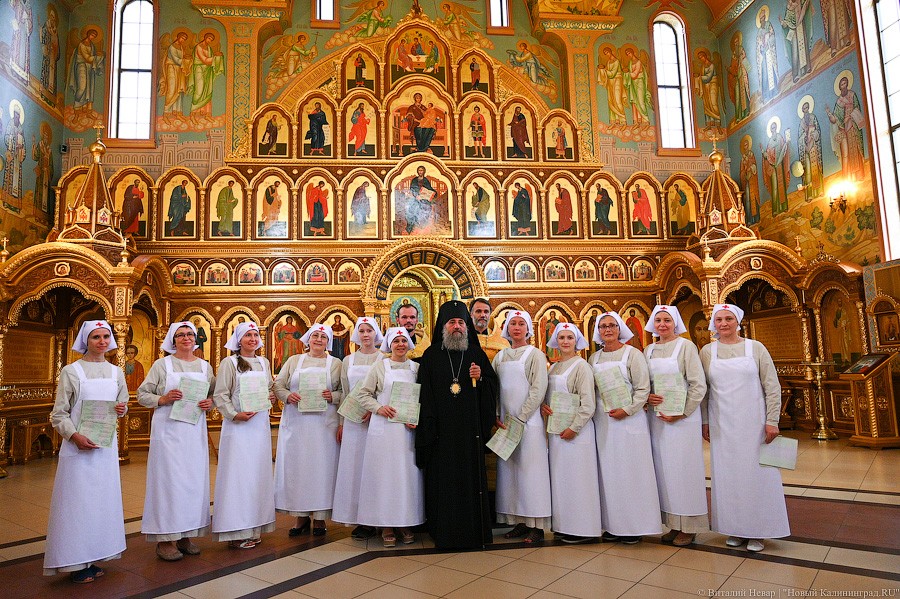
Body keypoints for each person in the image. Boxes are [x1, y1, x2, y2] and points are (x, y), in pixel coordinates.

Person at [44, 320, 128, 583]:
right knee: (77, 505)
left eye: (106, 336)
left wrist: (122, 409)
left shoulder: (117, 372)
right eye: (95, 337)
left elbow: (122, 402)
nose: (102, 341)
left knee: (101, 503)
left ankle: (95, 554)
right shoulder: (72, 371)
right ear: (85, 341)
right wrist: (74, 436)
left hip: (104, 448)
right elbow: (58, 414)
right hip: (79, 448)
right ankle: (76, 561)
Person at [701, 303, 789, 553]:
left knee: (757, 476)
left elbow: (771, 385)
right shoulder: (708, 351)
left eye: (728, 318)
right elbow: (705, 391)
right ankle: (735, 528)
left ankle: (758, 530)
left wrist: (773, 420)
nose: (724, 324)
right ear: (713, 324)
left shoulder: (755, 347)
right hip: (722, 424)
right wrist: (705, 421)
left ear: (737, 321)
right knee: (728, 477)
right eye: (719, 320)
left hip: (754, 424)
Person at [415, 300, 498, 548]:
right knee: (443, 482)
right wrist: (429, 428)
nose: (457, 326)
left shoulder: (475, 354)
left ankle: (474, 532)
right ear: (443, 326)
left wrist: (481, 378)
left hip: (469, 433)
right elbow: (424, 395)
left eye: (461, 322)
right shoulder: (431, 356)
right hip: (441, 433)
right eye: (452, 322)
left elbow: (492, 387)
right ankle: (443, 531)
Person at [138, 321, 215, 561]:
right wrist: (163, 398)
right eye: (180, 335)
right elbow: (142, 394)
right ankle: (165, 538)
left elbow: (213, 394)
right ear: (173, 340)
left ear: (196, 339)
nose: (186, 338)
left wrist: (209, 403)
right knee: (168, 483)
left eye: (190, 334)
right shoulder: (162, 365)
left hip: (193, 432)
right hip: (168, 432)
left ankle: (186, 534)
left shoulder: (205, 367)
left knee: (192, 483)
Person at [589, 312, 662, 544]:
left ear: (620, 329)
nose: (607, 330)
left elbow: (642, 389)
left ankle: (634, 526)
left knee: (632, 472)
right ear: (597, 331)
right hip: (605, 421)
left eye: (612, 325)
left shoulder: (633, 354)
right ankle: (614, 524)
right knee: (609, 473)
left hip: (629, 421)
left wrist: (628, 410)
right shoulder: (594, 358)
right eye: (603, 326)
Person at [643, 306, 708, 547]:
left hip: (682, 421)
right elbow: (643, 383)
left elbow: (698, 384)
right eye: (658, 320)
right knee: (664, 472)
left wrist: (682, 412)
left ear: (675, 323)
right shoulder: (648, 350)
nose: (662, 324)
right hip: (658, 419)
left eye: (667, 320)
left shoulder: (686, 347)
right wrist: (647, 396)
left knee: (684, 471)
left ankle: (689, 526)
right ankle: (672, 523)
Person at [355, 328, 424, 546]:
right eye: (396, 341)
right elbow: (363, 394)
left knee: (405, 477)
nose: (401, 344)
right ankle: (386, 525)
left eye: (404, 340)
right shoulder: (379, 366)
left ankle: (405, 522)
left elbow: (425, 397)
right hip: (384, 430)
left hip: (406, 431)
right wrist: (378, 408)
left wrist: (418, 418)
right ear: (389, 344)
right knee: (385, 477)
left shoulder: (417, 368)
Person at [274, 324, 343, 537]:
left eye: (323, 337)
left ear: (328, 341)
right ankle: (300, 517)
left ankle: (320, 518)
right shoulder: (294, 360)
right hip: (298, 425)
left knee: (322, 469)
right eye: (315, 336)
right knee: (299, 469)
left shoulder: (337, 364)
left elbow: (345, 391)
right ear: (308, 339)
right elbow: (279, 385)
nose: (319, 340)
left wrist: (333, 396)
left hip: (324, 426)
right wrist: (288, 396)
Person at [211, 322, 276, 549]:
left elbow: (268, 388)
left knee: (257, 474)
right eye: (247, 335)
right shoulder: (229, 363)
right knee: (237, 476)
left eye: (255, 335)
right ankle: (235, 530)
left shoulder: (263, 362)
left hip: (259, 425)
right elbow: (221, 394)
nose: (252, 339)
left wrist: (271, 397)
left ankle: (254, 526)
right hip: (238, 427)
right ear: (238, 340)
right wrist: (234, 414)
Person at [492, 311, 550, 545]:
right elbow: (495, 388)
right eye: (512, 323)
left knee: (531, 472)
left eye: (521, 324)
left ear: (528, 329)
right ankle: (518, 520)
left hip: (529, 423)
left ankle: (536, 526)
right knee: (511, 475)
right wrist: (497, 414)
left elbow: (538, 388)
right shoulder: (501, 356)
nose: (516, 327)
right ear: (506, 328)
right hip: (507, 423)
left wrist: (523, 416)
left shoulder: (535, 354)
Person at [542, 323, 602, 544]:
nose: (565, 341)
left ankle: (583, 528)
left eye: (569, 337)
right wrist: (545, 407)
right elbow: (550, 397)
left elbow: (588, 403)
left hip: (577, 434)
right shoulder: (554, 367)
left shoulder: (582, 366)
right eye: (561, 337)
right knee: (562, 480)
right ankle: (565, 525)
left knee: (579, 480)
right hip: (557, 432)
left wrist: (574, 428)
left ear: (577, 341)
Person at [332, 318, 383, 540]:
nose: (365, 334)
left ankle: (378, 515)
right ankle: (358, 517)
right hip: (353, 422)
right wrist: (342, 423)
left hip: (377, 421)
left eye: (369, 330)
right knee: (354, 469)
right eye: (361, 331)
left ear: (376, 334)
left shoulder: (384, 358)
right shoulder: (348, 361)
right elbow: (344, 392)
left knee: (374, 468)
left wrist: (374, 410)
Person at [189, 32, 224, 118]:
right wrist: (215, 57)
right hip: (199, 70)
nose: (209, 41)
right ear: (205, 37)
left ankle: (207, 114)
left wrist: (217, 57)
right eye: (209, 39)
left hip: (207, 71)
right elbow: (204, 59)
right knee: (199, 90)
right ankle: (193, 114)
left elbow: (210, 61)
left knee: (208, 91)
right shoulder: (199, 47)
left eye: (211, 40)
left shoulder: (209, 48)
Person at [760, 120, 790, 216]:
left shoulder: (780, 138)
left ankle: (784, 206)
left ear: (776, 128)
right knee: (775, 187)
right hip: (773, 167)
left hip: (779, 165)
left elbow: (783, 150)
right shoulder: (769, 142)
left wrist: (787, 142)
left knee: (781, 185)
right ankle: (775, 209)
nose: (773, 129)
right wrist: (763, 152)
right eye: (771, 128)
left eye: (774, 127)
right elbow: (767, 155)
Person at [756, 7, 779, 103]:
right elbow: (758, 45)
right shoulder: (758, 32)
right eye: (761, 19)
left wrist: (768, 39)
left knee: (771, 72)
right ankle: (766, 95)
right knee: (765, 74)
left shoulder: (769, 25)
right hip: (763, 55)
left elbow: (772, 34)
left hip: (769, 52)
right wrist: (761, 48)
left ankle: (774, 91)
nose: (763, 20)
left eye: (764, 17)